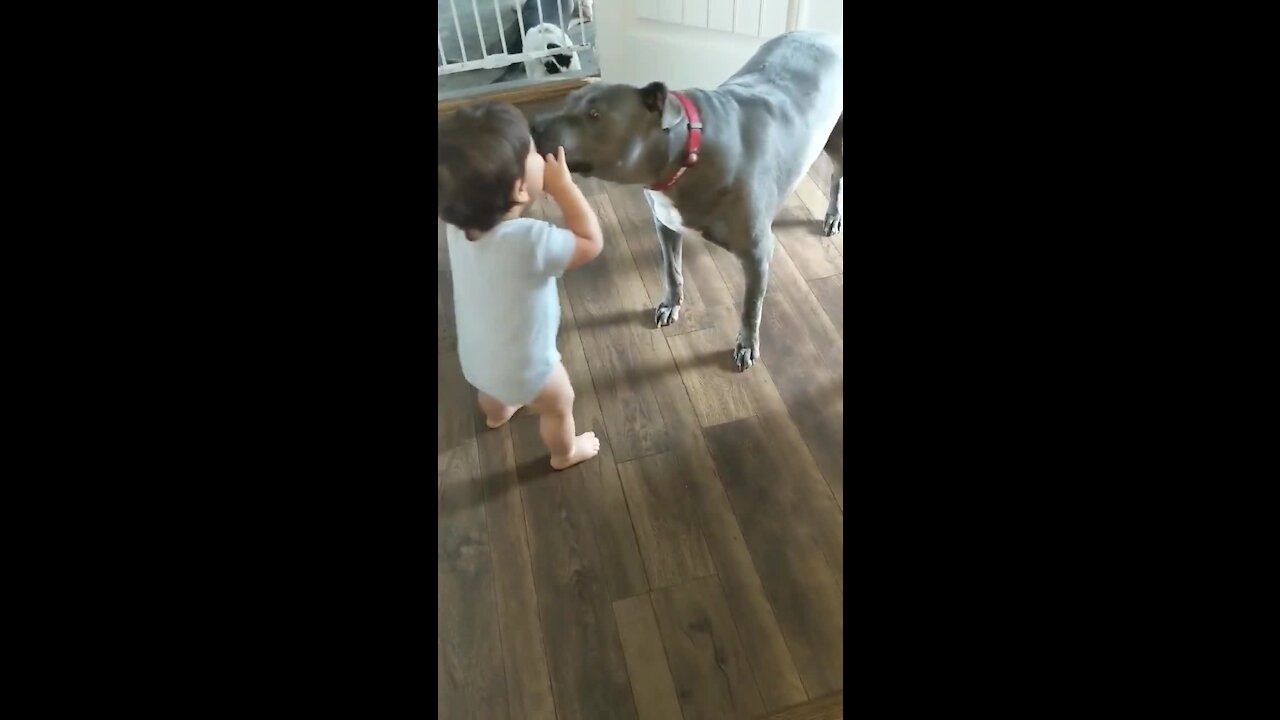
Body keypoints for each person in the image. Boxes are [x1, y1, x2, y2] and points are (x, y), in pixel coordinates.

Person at [438, 102, 603, 470]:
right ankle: (565, 453)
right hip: (533, 371)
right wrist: (563, 188)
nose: (539, 154)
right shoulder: (530, 242)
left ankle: (498, 414)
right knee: (561, 405)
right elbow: (591, 243)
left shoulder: (456, 228)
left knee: (494, 394)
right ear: (519, 187)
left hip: (476, 361)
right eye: (531, 150)